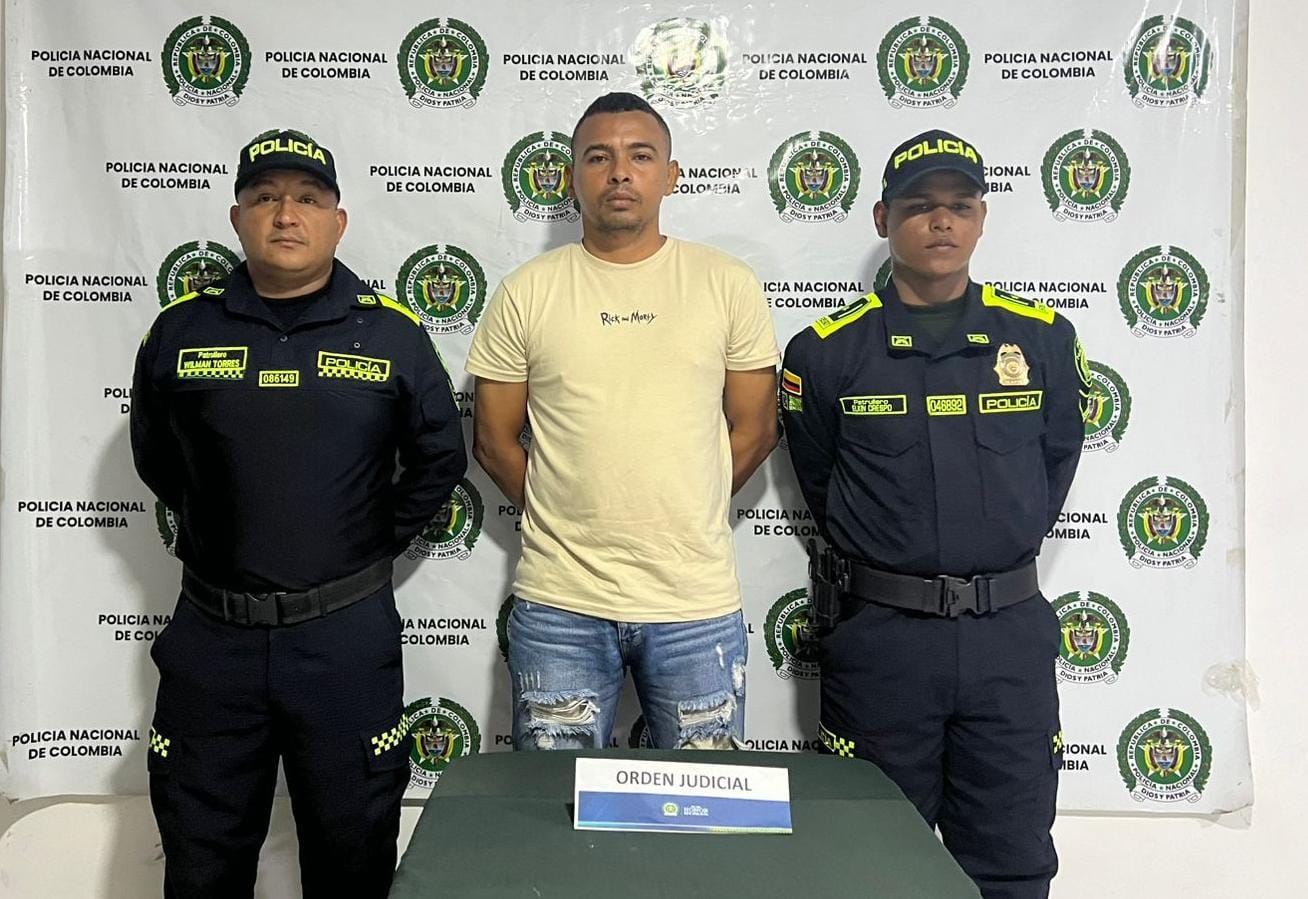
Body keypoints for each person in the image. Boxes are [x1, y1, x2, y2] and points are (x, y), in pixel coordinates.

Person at [130, 128, 467, 898]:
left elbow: (439, 458)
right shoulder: (180, 331)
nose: (286, 214)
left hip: (343, 640)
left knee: (354, 859)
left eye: (308, 199)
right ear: (237, 217)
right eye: (265, 197)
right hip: (212, 640)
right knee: (200, 862)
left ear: (338, 221)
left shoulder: (393, 333)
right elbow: (157, 458)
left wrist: (364, 541)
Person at [780, 129, 1090, 899]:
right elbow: (821, 481)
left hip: (1006, 640)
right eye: (920, 205)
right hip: (884, 642)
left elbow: (1054, 465)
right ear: (883, 218)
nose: (941, 221)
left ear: (982, 218)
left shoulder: (1042, 340)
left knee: (1013, 860)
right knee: (870, 867)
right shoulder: (825, 353)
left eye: (959, 204)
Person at [466, 92, 779, 750]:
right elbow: (492, 440)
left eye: (640, 156)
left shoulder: (726, 282)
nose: (619, 173)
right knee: (552, 802)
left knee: (707, 802)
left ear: (671, 175)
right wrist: (565, 511)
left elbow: (755, 429)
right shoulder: (527, 290)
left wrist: (686, 500)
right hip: (560, 602)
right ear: (570, 177)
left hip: (695, 604)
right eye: (598, 157)